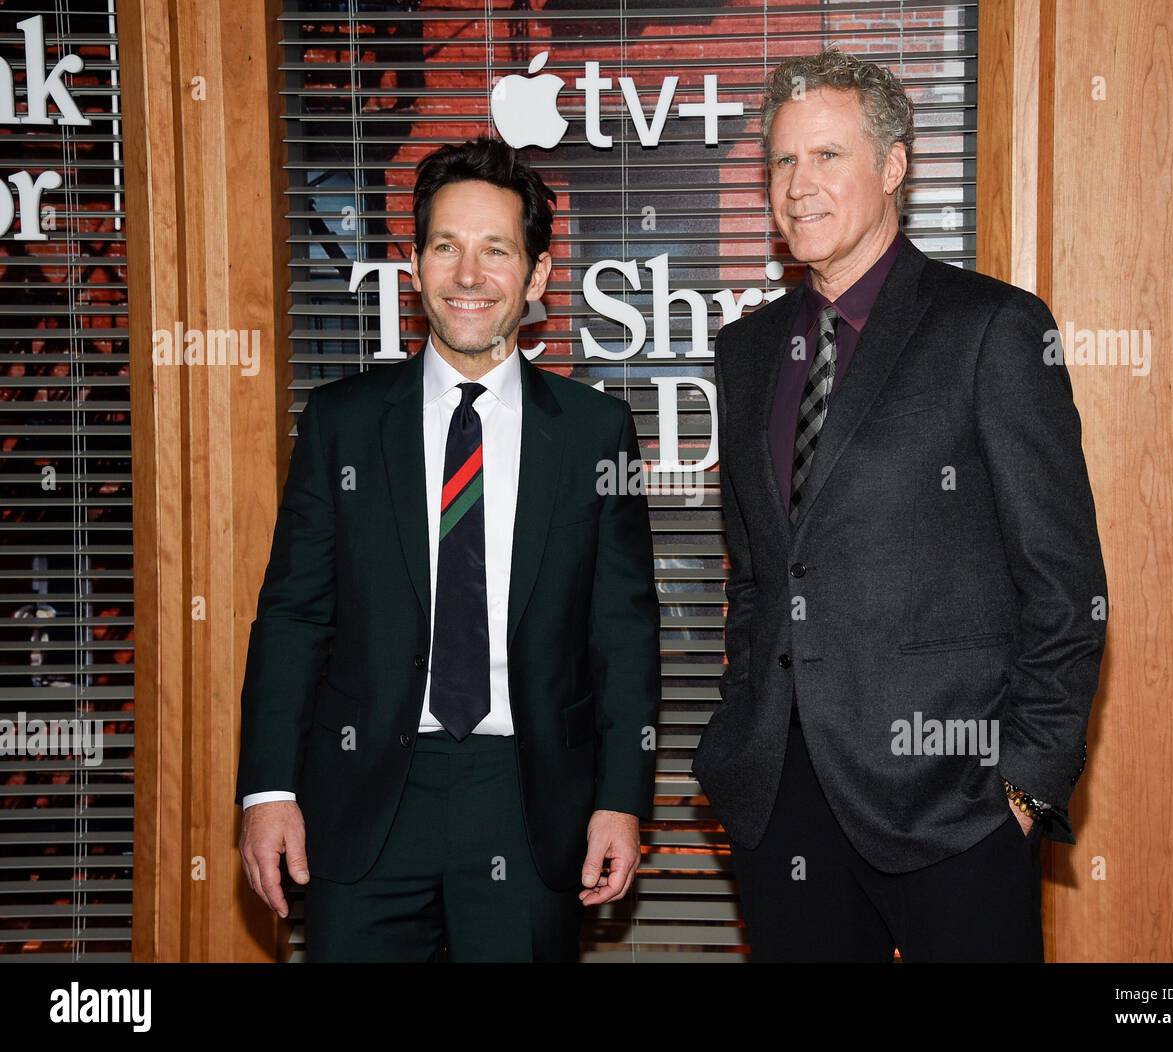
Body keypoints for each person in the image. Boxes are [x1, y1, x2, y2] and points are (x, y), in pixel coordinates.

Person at [693, 47, 1107, 962]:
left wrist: (1024, 787)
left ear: (893, 167)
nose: (798, 185)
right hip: (781, 797)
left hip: (952, 800)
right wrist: (738, 737)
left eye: (828, 156)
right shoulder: (748, 351)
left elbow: (1064, 582)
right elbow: (760, 576)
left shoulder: (992, 328)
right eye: (782, 161)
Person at [236, 137, 660, 961]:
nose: (468, 275)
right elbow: (292, 616)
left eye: (495, 250)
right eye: (445, 247)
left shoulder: (593, 435)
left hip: (529, 800)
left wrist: (620, 799)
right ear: (416, 265)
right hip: (363, 807)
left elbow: (623, 631)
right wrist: (268, 788)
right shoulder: (342, 423)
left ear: (536, 277)